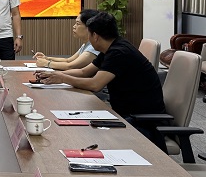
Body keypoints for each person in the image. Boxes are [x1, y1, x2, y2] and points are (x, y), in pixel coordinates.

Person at [37, 12, 165, 126]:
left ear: (95, 36)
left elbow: (95, 84)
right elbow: (84, 72)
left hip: (143, 122)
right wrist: (53, 75)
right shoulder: (110, 48)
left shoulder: (119, 52)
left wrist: (62, 78)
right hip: (127, 114)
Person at [33, 9, 100, 70]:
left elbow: (70, 66)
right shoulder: (87, 44)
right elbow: (68, 60)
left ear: (89, 27)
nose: (74, 26)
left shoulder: (93, 48)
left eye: (78, 24)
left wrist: (46, 63)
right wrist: (46, 58)